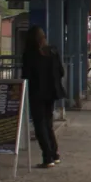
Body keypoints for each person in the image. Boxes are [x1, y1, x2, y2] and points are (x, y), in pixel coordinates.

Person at [22, 26, 65, 168]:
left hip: (37, 93)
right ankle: (54, 154)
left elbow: (25, 75)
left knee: (40, 125)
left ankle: (47, 157)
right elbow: (61, 71)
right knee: (48, 123)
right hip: (51, 92)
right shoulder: (53, 51)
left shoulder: (29, 54)